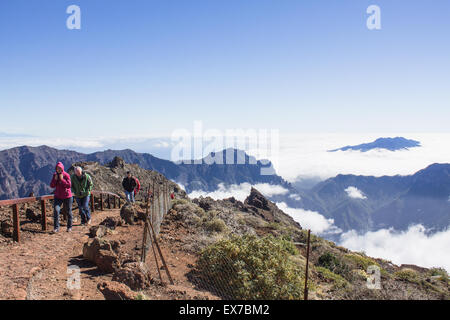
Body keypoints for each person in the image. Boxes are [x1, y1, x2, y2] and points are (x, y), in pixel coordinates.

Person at [50, 162, 73, 233]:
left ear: (62, 168)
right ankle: (56, 228)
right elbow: (52, 185)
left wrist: (62, 180)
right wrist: (55, 179)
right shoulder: (55, 175)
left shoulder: (66, 175)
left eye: (59, 168)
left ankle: (69, 227)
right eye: (57, 168)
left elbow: (69, 185)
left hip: (67, 196)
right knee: (56, 211)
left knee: (68, 211)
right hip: (58, 196)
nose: (58, 169)